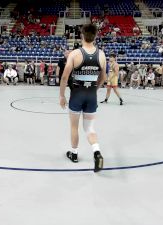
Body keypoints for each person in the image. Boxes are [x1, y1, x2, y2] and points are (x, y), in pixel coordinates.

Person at [59, 24, 106, 173]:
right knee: (89, 128)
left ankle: (74, 154)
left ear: (81, 36)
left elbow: (65, 76)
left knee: (74, 126)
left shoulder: (75, 54)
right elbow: (103, 77)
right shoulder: (102, 55)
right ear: (95, 36)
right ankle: (97, 152)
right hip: (91, 95)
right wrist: (95, 89)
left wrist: (61, 95)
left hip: (77, 95)